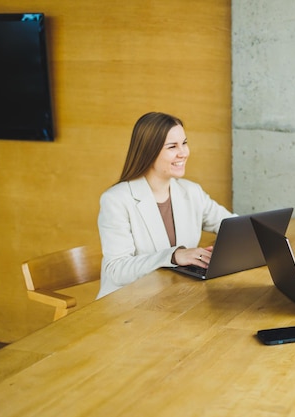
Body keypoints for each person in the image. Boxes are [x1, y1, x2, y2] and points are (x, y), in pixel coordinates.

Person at [97, 112, 235, 298]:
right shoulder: (116, 199)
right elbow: (117, 269)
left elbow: (232, 226)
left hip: (176, 296)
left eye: (184, 143)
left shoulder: (191, 191)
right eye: (172, 146)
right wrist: (174, 256)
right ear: (149, 151)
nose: (183, 152)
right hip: (130, 303)